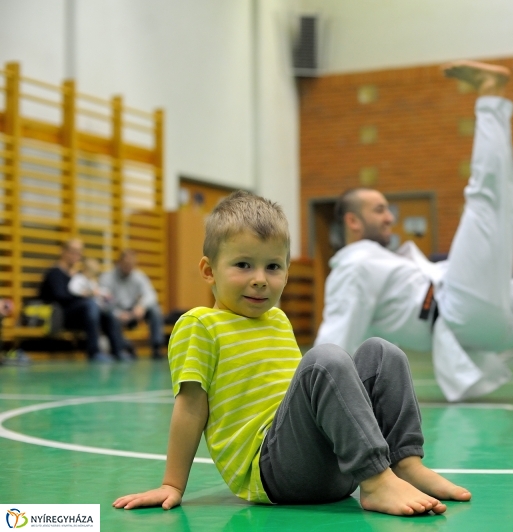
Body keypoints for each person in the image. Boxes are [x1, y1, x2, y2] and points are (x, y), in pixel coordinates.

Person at [112, 190, 470, 516]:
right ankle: (376, 483)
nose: (260, 279)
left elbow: (305, 402)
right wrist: (172, 484)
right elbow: (190, 408)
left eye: (272, 267)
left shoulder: (278, 320)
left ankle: (404, 463)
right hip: (274, 473)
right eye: (243, 265)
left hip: (333, 468)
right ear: (209, 270)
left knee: (382, 352)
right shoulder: (200, 325)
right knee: (323, 361)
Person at [315, 61, 513, 403]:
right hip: (457, 310)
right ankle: (490, 95)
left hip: (481, 321)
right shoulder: (353, 266)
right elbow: (338, 335)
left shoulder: (381, 261)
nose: (389, 217)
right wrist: (311, 397)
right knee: (486, 202)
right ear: (353, 222)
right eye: (379, 210)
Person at [38, 239, 127, 363]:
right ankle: (94, 352)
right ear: (63, 252)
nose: (76, 255)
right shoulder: (55, 273)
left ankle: (118, 351)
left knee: (106, 311)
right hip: (62, 315)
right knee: (91, 305)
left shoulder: (78, 276)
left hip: (82, 315)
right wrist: (85, 296)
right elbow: (60, 297)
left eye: (79, 252)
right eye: (73, 251)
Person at [100, 249, 165, 359]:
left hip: (134, 311)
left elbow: (151, 295)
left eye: (131, 264)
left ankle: (157, 347)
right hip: (116, 313)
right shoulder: (107, 278)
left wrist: (141, 306)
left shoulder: (139, 276)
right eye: (126, 264)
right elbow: (102, 301)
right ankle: (122, 348)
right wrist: (118, 313)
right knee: (108, 316)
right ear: (119, 262)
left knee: (155, 310)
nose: (128, 267)